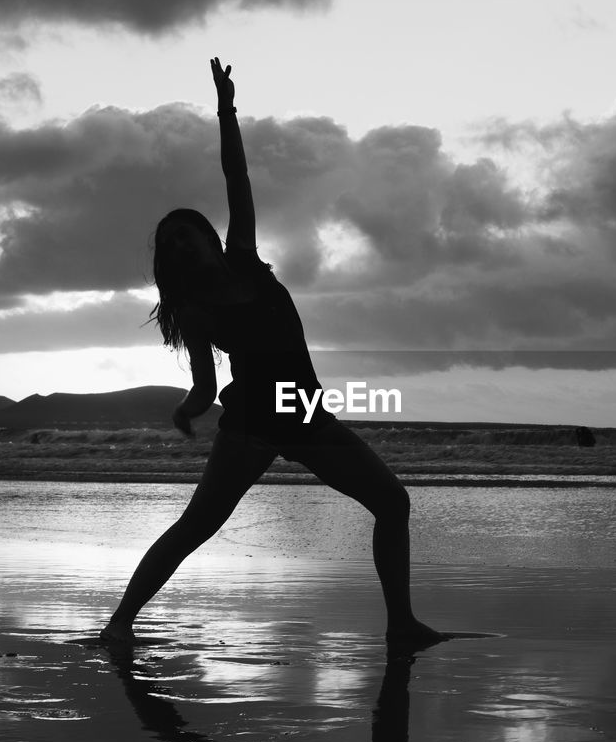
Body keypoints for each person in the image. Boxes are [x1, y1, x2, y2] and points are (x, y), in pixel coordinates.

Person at [100, 58, 443, 647]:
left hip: (302, 410)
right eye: (169, 241)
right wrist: (190, 407)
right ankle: (117, 627)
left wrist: (226, 109)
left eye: (187, 231)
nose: (181, 241)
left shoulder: (246, 259)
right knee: (198, 525)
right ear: (169, 258)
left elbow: (239, 178)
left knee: (391, 501)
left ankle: (402, 626)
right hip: (256, 421)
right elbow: (209, 387)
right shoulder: (195, 312)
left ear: (210, 236)